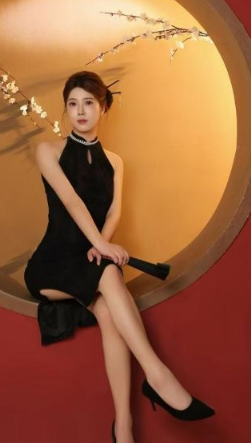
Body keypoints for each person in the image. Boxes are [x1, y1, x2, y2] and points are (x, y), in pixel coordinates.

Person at [24, 71, 215, 443]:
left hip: (90, 260)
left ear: (104, 108)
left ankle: (123, 427)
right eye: (72, 104)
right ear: (65, 109)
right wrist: (102, 246)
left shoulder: (115, 162)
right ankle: (157, 375)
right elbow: (72, 203)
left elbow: (113, 212)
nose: (80, 111)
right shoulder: (47, 151)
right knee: (109, 274)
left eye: (88, 103)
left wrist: (101, 245)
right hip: (51, 265)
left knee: (110, 311)